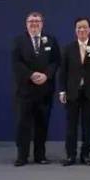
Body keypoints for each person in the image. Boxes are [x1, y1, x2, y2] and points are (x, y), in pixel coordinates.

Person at [10, 11, 60, 167]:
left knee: (42, 125)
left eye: (37, 21)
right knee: (23, 124)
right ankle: (22, 156)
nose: (34, 24)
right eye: (31, 21)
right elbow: (16, 63)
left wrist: (46, 75)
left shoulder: (50, 40)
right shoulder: (19, 41)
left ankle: (40, 155)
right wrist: (31, 74)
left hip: (44, 91)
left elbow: (55, 61)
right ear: (26, 24)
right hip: (25, 91)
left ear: (42, 24)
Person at [58, 17, 90, 167]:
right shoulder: (68, 48)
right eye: (79, 27)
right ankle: (70, 155)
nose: (82, 30)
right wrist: (62, 91)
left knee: (88, 125)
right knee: (71, 126)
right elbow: (63, 71)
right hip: (72, 92)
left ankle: (86, 155)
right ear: (75, 30)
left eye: (84, 27)